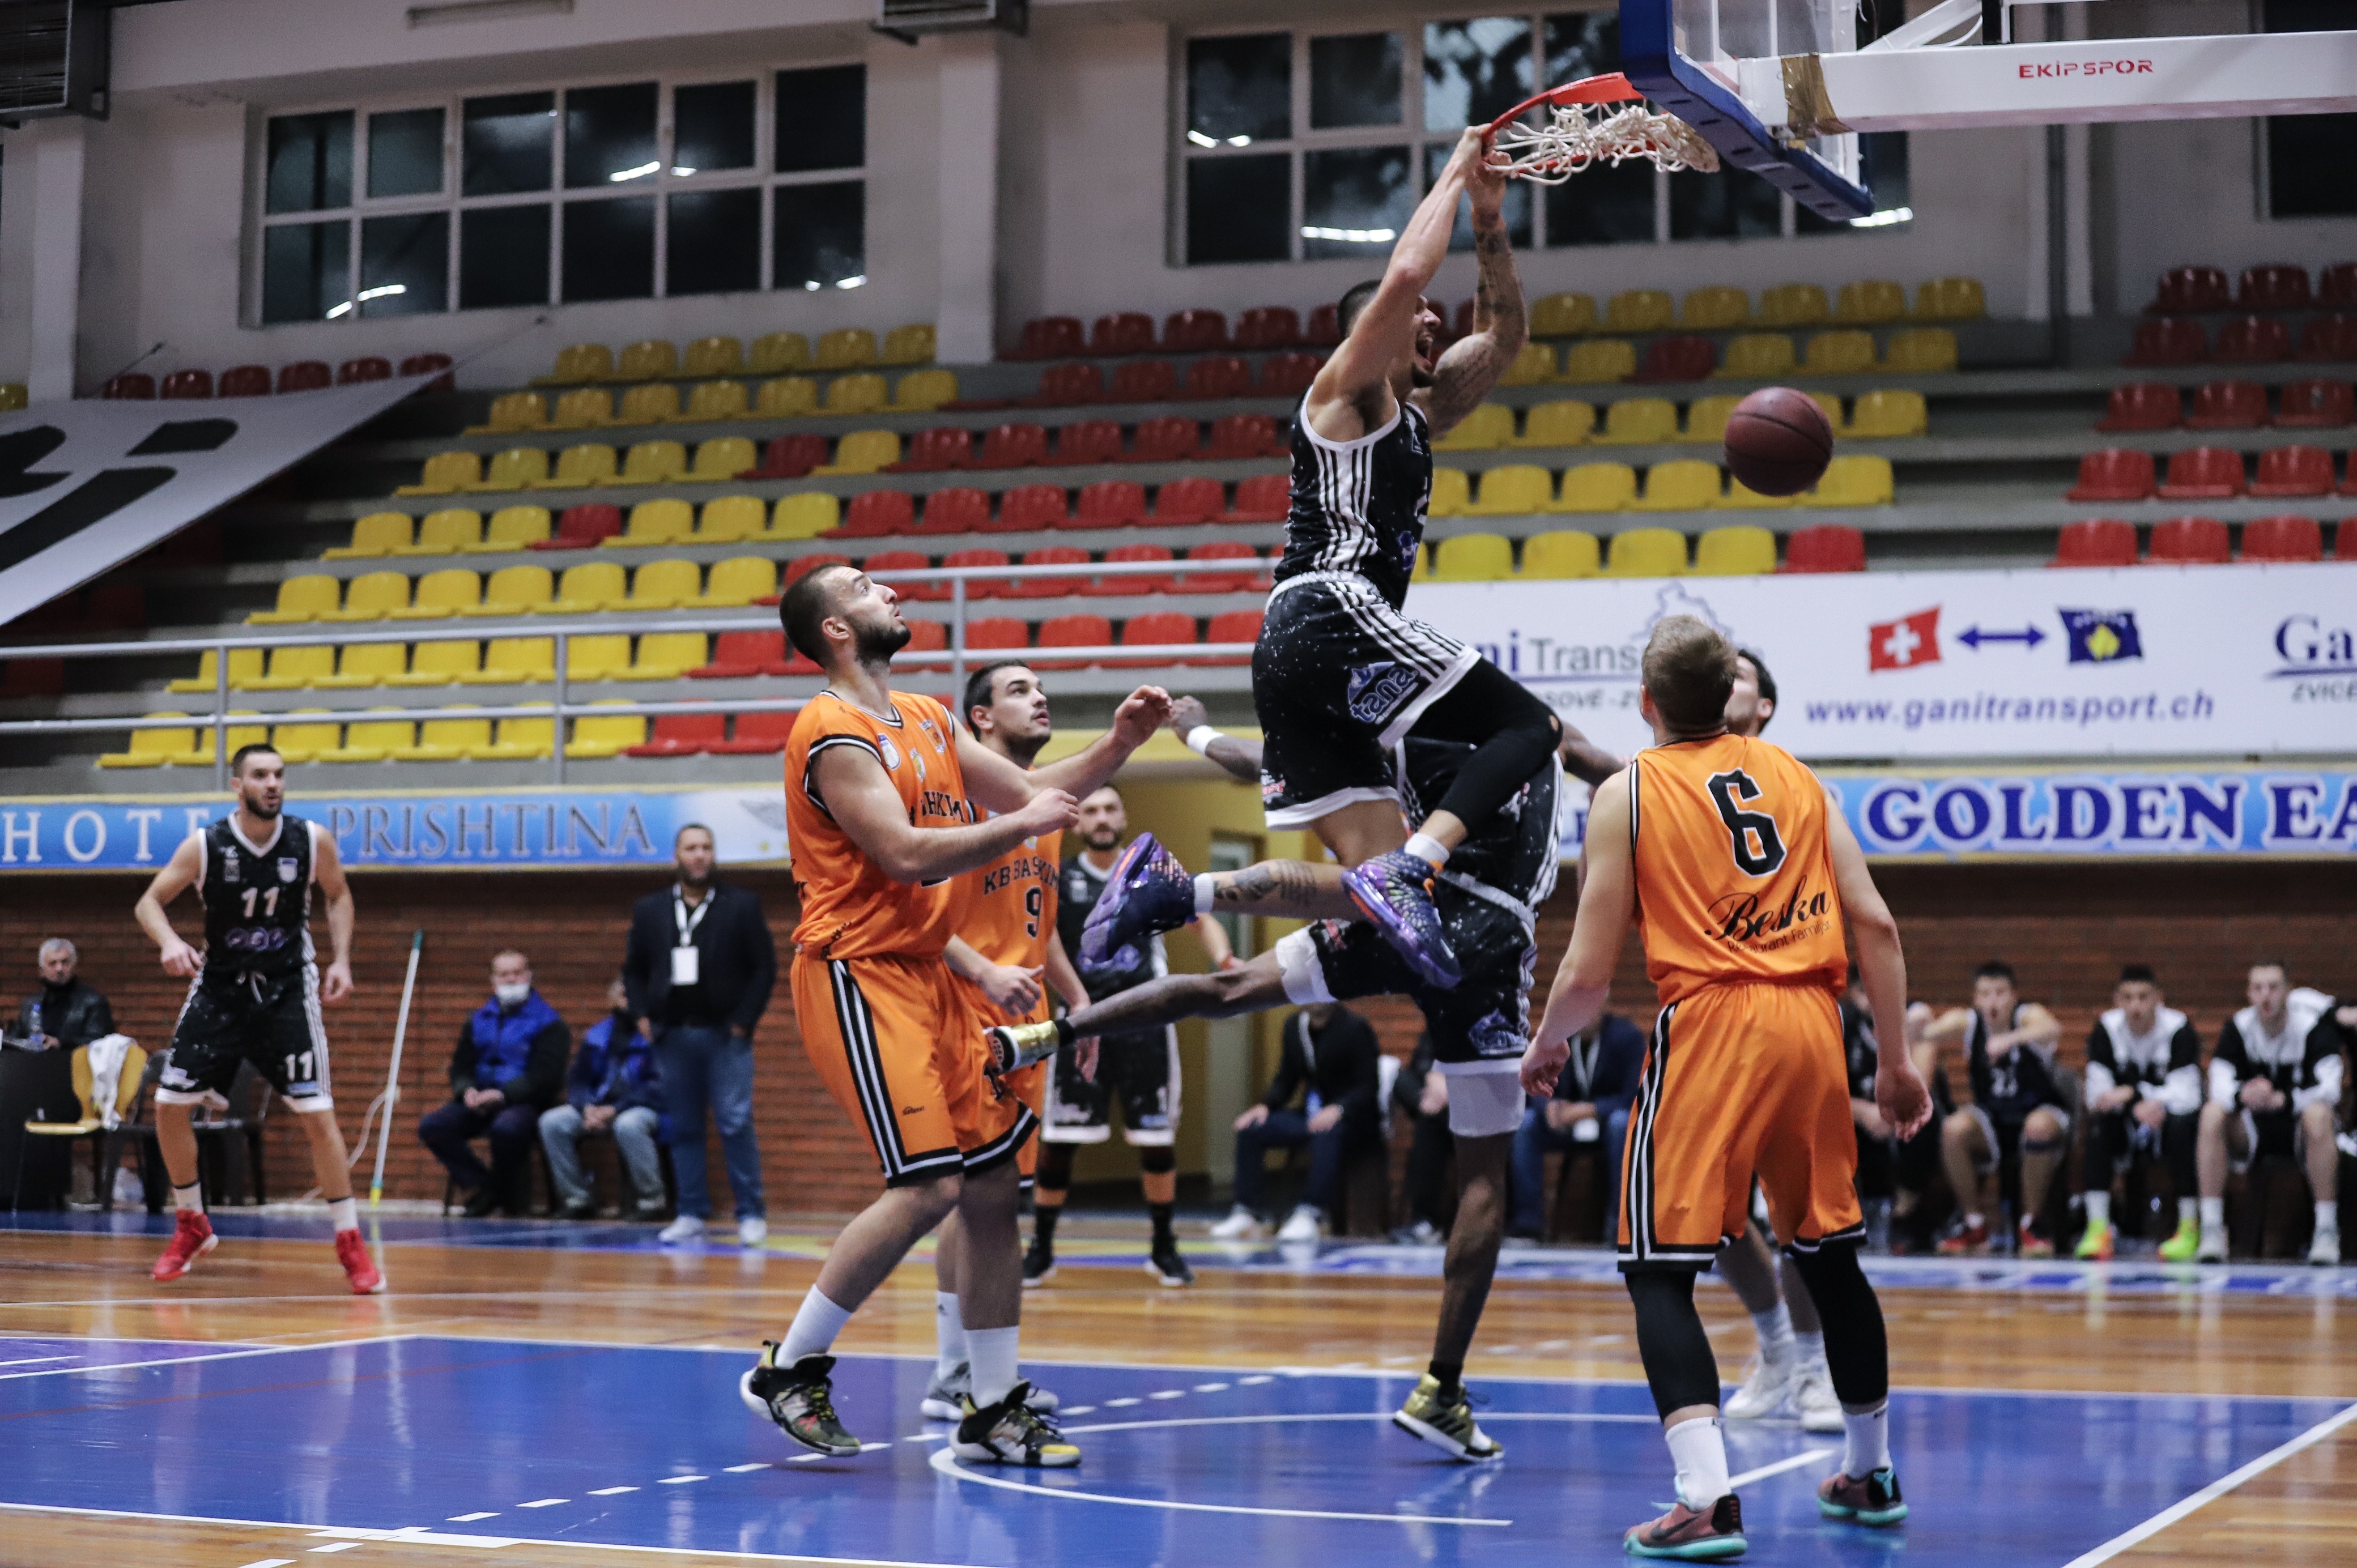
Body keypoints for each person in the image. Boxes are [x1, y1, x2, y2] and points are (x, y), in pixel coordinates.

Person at [1009, 693, 1612, 1464]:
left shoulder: (1421, 742)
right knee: (1483, 1177)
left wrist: (1192, 728)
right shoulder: (1550, 735)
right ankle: (1442, 1388)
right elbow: (1637, 781)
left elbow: (1263, 767)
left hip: (1398, 911)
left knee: (1232, 986)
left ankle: (1057, 1026)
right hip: (1486, 937)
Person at [739, 560, 1167, 1469]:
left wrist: (1121, 744)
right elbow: (899, 851)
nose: (887, 590)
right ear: (837, 632)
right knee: (930, 1184)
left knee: (989, 1191)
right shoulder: (831, 729)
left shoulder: (928, 717)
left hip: (933, 977)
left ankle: (993, 1403)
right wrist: (1020, 826)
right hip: (859, 971)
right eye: (862, 587)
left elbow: (1030, 790)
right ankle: (792, 1363)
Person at [1521, 615, 1930, 1557]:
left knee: (1658, 1266)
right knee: (1829, 1254)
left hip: (1712, 1024)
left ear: (1647, 704)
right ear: (1731, 698)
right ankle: (1867, 1470)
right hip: (1812, 1025)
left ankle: (1704, 1495)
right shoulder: (1800, 778)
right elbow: (1877, 925)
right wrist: (1897, 1058)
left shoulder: (1628, 790)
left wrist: (1547, 1044)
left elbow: (1588, 971)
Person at [1108, 128, 1548, 994]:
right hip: (1331, 608)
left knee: (1374, 892)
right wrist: (1458, 174)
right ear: (1365, 338)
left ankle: (1171, 890)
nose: (1431, 325)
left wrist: (1491, 223)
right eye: (1415, 325)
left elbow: (1501, 338)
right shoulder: (1345, 394)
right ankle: (1416, 862)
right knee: (1528, 729)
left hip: (1291, 643)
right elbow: (1407, 280)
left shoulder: (1417, 412)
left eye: (1430, 326)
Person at [132, 743, 383, 1294]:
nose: (272, 783)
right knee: (169, 1106)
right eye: (260, 775)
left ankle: (349, 1242)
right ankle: (192, 1221)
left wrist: (341, 958)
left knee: (317, 1115)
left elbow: (339, 895)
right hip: (221, 989)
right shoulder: (206, 844)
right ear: (237, 784)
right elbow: (149, 901)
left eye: (279, 774)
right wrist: (170, 941)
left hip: (286, 991)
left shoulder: (311, 839)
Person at [923, 661, 1093, 1424]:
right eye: (1020, 690)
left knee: (996, 1205)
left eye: (1040, 684)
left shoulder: (1043, 806)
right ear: (980, 721)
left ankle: (971, 1369)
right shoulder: (958, 804)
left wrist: (1081, 1001)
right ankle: (955, 1370)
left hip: (1029, 1025)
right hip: (966, 1013)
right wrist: (985, 973)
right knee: (973, 1199)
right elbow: (918, 914)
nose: (1040, 696)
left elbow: (1042, 922)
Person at [1035, 782, 1232, 1289]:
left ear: (1124, 816)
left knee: (1156, 1138)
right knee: (1058, 1140)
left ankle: (1164, 1247)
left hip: (1146, 1020)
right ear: (1078, 823)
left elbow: (1198, 916)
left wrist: (1225, 959)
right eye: (1092, 810)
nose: (1101, 818)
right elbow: (1039, 936)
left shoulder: (1149, 872)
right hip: (1082, 1021)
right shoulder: (1060, 875)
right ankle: (1041, 1247)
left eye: (1110, 809)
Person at [623, 824, 776, 1247]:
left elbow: (764, 968)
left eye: (706, 848)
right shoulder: (650, 910)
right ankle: (690, 1211)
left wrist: (745, 1020)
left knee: (734, 1121)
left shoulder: (741, 906)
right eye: (691, 848)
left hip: (727, 1035)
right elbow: (633, 969)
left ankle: (751, 1212)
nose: (699, 855)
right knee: (685, 1126)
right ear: (676, 855)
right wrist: (641, 1014)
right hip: (672, 1035)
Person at [2192, 963, 2343, 1265]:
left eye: (2273, 988)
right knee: (2211, 1114)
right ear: (2248, 994)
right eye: (2258, 989)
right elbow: (2218, 1081)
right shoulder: (2237, 1028)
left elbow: (2331, 1088)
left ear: (2287, 991)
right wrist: (2242, 1094)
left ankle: (2326, 1230)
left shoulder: (2313, 1029)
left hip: (2302, 1129)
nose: (2266, 996)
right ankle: (2211, 1229)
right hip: (2252, 1129)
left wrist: (2283, 1100)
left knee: (2319, 1115)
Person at [1927, 961, 2067, 1256]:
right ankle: (1973, 1223)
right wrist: (1914, 1028)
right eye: (1985, 994)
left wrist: (2011, 1039)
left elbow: (2052, 1028)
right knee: (1954, 1129)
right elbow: (1933, 1031)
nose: (1993, 1001)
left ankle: (2032, 1224)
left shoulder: (2028, 1016)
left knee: (2038, 1126)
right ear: (1976, 999)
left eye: (2000, 993)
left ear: (2014, 996)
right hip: (1992, 1118)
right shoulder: (1969, 1023)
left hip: (2040, 1110)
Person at [1215, 1002, 1385, 1243]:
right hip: (1311, 1114)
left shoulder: (1355, 1027)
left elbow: (1368, 1086)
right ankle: (1246, 1210)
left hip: (1352, 1120)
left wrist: (1339, 1109)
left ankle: (1310, 1213)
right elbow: (1287, 1077)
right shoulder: (1295, 1026)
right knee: (1252, 1129)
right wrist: (1266, 1105)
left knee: (1328, 1133)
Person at [419, 949, 571, 1216]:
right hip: (479, 1101)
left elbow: (546, 1077)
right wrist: (466, 1090)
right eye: (504, 974)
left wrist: (503, 1096)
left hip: (524, 1102)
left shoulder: (550, 1023)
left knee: (507, 1129)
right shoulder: (478, 1020)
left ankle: (493, 1196)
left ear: (528, 976)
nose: (511, 979)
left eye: (517, 973)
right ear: (493, 980)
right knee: (434, 1126)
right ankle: (487, 1187)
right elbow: (461, 1065)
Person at [2077, 964, 2203, 1262]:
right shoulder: (2106, 1029)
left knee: (2184, 1126)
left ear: (2159, 998)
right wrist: (2135, 1106)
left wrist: (2136, 1094)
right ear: (2117, 1000)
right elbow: (2097, 1096)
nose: (2136, 1006)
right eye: (2128, 998)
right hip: (2126, 1123)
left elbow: (2189, 1095)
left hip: (2167, 1121)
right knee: (2099, 1127)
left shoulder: (2179, 1029)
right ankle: (2098, 1228)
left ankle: (2189, 1227)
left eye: (2143, 997)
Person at [1508, 1010, 1644, 1243]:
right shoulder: (1557, 1036)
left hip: (1606, 1123)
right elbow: (1534, 1081)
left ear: (1602, 1006)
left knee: (1622, 1124)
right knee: (1526, 1124)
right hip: (1565, 1123)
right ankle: (1527, 1226)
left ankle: (1621, 1227)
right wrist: (1548, 1107)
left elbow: (1634, 1095)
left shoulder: (1627, 1037)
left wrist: (1590, 1110)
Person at [540, 975, 667, 1221]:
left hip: (646, 1107)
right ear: (612, 1000)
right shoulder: (598, 1035)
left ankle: (652, 1200)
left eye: (635, 996)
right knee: (553, 1122)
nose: (628, 1002)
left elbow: (660, 1087)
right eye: (623, 996)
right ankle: (577, 1198)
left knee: (629, 1125)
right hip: (597, 1106)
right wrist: (586, 1107)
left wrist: (615, 1109)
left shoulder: (658, 1035)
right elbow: (578, 1079)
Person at [12, 939, 114, 1050]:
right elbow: (16, 1041)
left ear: (74, 966)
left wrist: (60, 1043)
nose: (59, 969)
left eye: (65, 962)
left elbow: (101, 1043)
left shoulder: (93, 1002)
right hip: (34, 1065)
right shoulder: (31, 1005)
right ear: (41, 971)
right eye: (52, 963)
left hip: (75, 1065)